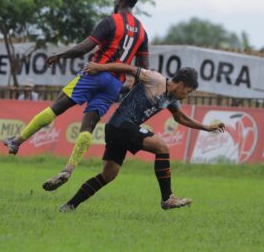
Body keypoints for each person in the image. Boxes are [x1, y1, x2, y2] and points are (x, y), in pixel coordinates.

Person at [3, 0, 163, 192]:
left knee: (57, 106)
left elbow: (84, 47)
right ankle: (69, 168)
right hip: (114, 84)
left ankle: (17, 140)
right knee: (88, 126)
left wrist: (60, 54)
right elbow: (143, 67)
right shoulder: (142, 31)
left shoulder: (111, 21)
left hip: (95, 73)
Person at [58, 62, 224, 212]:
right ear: (181, 84)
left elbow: (180, 118)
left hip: (116, 129)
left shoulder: (172, 99)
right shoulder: (155, 79)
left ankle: (69, 206)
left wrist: (206, 127)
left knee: (108, 175)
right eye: (187, 92)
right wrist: (100, 67)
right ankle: (168, 198)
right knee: (162, 147)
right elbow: (129, 69)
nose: (185, 96)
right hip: (121, 124)